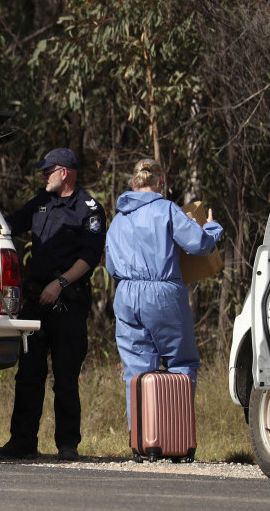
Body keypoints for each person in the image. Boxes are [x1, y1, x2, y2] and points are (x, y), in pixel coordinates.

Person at [0, 147, 106, 462]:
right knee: (29, 375)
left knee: (66, 377)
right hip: (36, 301)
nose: (42, 176)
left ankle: (67, 445)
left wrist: (61, 283)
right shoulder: (41, 202)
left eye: (47, 170)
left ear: (64, 172)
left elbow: (90, 257)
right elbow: (8, 223)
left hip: (68, 301)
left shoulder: (89, 208)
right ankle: (22, 442)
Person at [104, 158, 223, 423]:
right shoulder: (167, 209)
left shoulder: (118, 219)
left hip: (126, 295)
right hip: (163, 292)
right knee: (182, 363)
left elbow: (111, 266)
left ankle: (141, 441)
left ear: (134, 183)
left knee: (136, 371)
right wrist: (212, 228)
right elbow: (198, 244)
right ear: (160, 182)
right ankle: (174, 436)